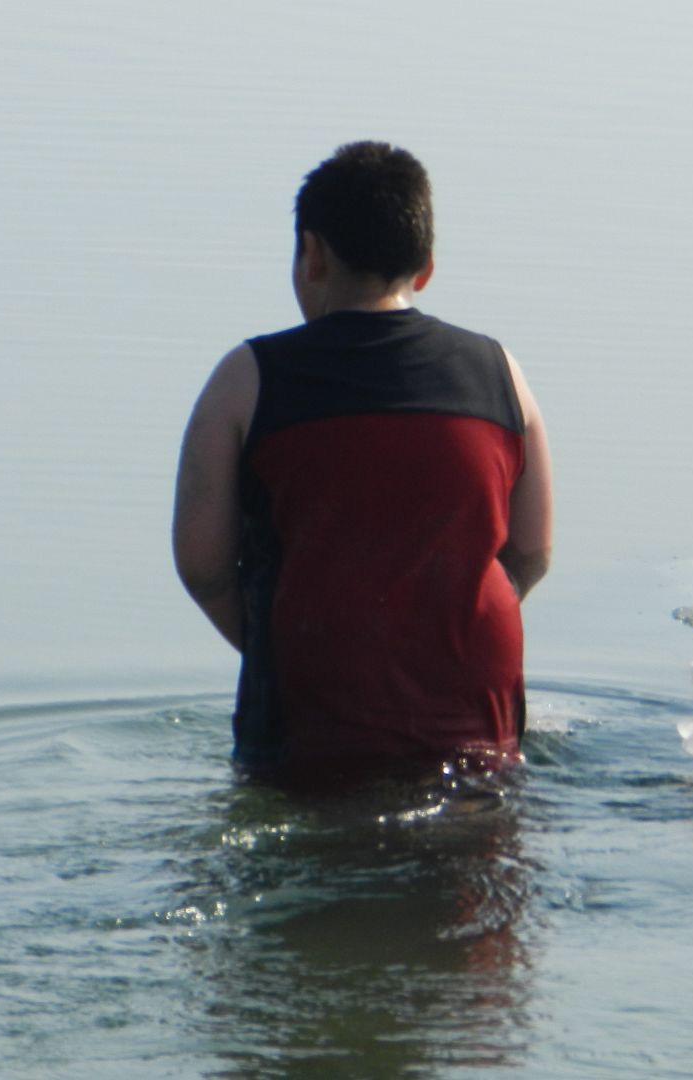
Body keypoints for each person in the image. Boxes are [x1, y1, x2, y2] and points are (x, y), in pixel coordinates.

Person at [172, 141, 554, 786]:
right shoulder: (499, 372)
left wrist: (290, 651)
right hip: (472, 692)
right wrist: (435, 636)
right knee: (476, 847)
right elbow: (532, 552)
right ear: (426, 266)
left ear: (312, 254)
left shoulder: (249, 377)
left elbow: (204, 566)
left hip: (311, 697)